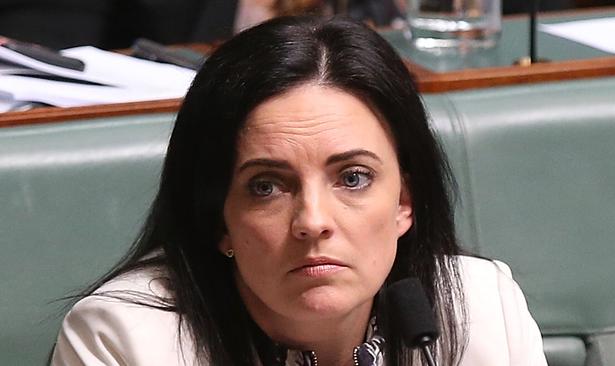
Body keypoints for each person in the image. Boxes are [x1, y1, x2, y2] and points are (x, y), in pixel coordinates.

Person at [50, 16, 547, 366]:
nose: (313, 220)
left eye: (353, 177)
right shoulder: (123, 342)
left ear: (403, 203)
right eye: (267, 186)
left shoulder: (484, 309)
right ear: (218, 218)